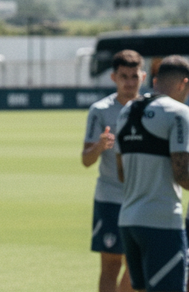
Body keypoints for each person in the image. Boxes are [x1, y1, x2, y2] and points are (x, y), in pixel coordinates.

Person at [115, 55, 189, 292]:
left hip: (128, 221)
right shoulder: (178, 113)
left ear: (156, 81)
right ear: (183, 83)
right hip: (161, 222)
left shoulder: (126, 111)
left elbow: (121, 173)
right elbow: (182, 174)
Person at [82, 50, 144, 292]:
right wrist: (99, 146)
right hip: (110, 198)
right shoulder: (100, 110)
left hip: (142, 198)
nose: (129, 82)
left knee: (137, 266)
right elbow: (86, 160)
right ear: (113, 78)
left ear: (143, 76)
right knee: (110, 265)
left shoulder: (151, 109)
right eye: (123, 76)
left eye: (134, 76)